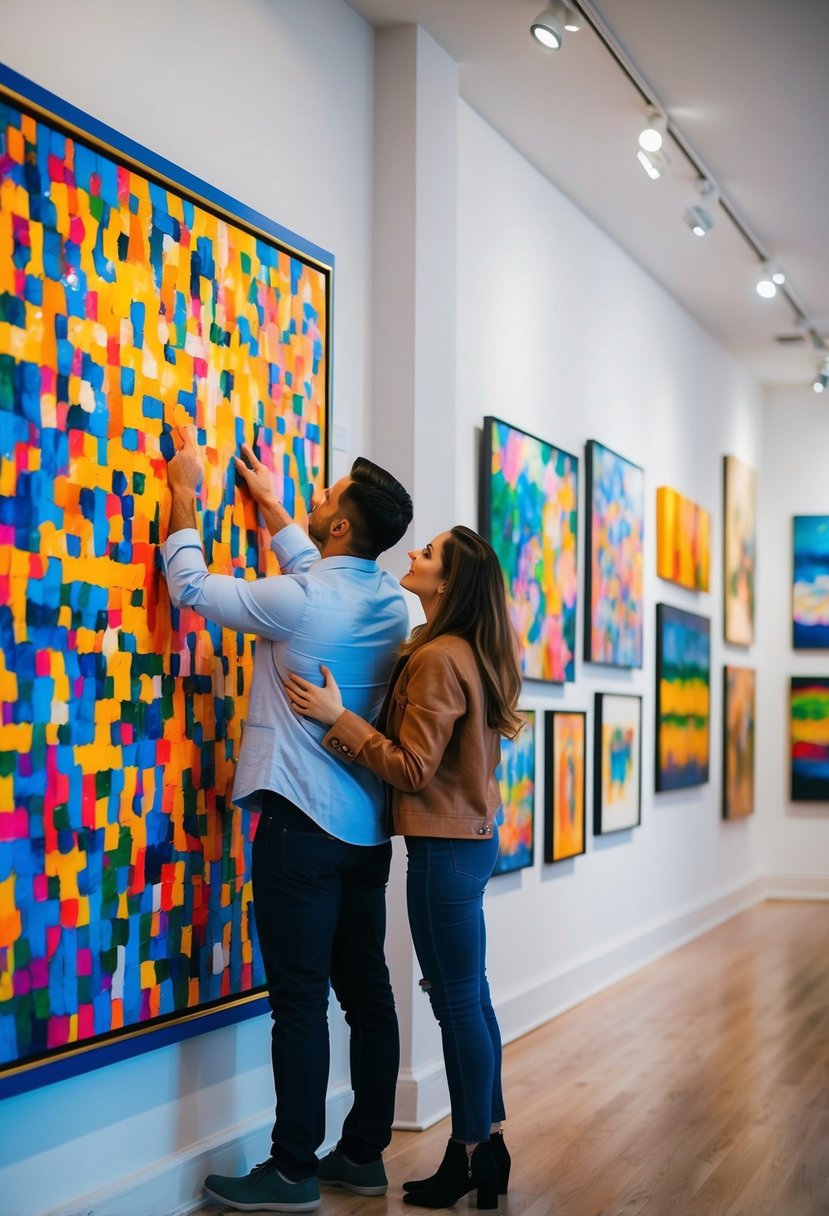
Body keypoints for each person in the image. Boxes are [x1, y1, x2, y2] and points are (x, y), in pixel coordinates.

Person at [160, 426, 413, 1213]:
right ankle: (363, 1155)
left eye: (329, 493)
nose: (320, 492)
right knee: (366, 993)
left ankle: (292, 1168)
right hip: (365, 835)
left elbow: (193, 590)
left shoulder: (296, 601)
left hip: (299, 829)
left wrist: (185, 493)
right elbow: (314, 572)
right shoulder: (394, 604)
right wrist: (272, 506)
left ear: (340, 524)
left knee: (298, 1002)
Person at [286, 525, 523, 1211]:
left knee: (456, 1006)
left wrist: (339, 718)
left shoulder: (438, 657)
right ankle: (490, 1145)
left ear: (446, 584)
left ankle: (470, 1153)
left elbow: (413, 769)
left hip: (443, 852)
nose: (413, 556)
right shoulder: (461, 650)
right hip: (468, 843)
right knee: (470, 999)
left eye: (428, 554)